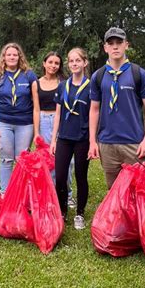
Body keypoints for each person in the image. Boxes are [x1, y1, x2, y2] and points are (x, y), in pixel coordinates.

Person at [88, 27, 145, 189]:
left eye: (119, 42)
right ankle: (119, 216)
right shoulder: (98, 76)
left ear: (127, 45)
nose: (115, 46)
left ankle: (137, 216)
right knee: (114, 192)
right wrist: (92, 141)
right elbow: (94, 109)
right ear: (105, 48)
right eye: (111, 43)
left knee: (139, 190)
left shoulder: (138, 73)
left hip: (134, 143)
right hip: (107, 143)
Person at [0, 42, 40, 194]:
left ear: (19, 57)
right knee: (6, 159)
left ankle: (22, 192)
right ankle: (5, 193)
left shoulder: (29, 75)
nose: (12, 57)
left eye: (15, 55)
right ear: (4, 57)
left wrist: (36, 131)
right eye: (8, 54)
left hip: (25, 124)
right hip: (3, 122)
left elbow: (36, 106)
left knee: (22, 160)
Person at [50, 48, 91, 229]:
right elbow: (58, 114)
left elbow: (95, 114)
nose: (74, 64)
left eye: (77, 60)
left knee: (81, 176)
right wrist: (53, 140)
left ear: (85, 63)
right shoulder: (62, 85)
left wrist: (94, 141)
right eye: (71, 61)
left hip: (83, 138)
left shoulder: (91, 87)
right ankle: (62, 210)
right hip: (64, 138)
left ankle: (80, 213)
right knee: (60, 177)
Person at [38, 51, 75, 206]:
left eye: (57, 63)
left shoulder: (65, 83)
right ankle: (52, 193)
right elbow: (34, 107)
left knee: (68, 160)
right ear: (44, 63)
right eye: (50, 62)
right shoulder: (36, 82)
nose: (53, 66)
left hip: (62, 121)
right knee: (48, 158)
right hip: (43, 121)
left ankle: (68, 193)